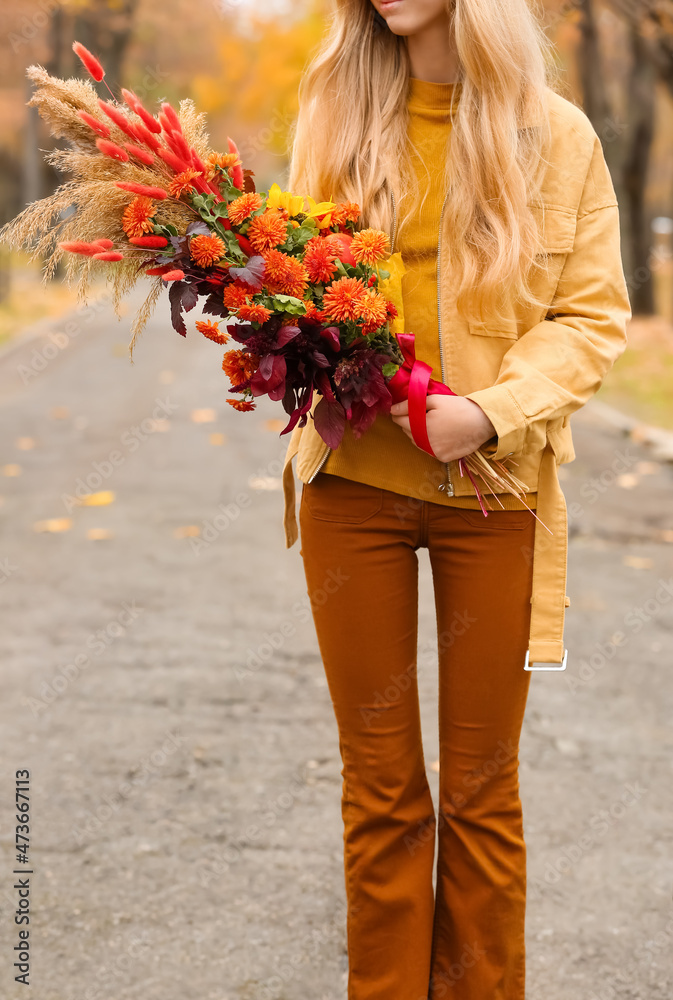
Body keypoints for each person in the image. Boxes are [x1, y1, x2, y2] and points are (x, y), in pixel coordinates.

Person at [280, 0, 631, 996]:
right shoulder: (336, 114)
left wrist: (489, 409)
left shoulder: (557, 134)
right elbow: (301, 284)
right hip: (352, 487)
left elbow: (591, 315)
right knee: (381, 792)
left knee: (480, 795)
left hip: (495, 491)